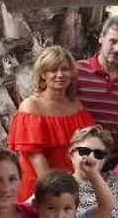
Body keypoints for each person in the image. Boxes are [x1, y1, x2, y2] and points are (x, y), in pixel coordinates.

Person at [7, 46, 94, 202]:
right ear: (42, 75)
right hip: (42, 187)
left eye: (65, 69)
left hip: (73, 185)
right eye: (53, 70)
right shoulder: (31, 106)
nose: (60, 75)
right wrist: (56, 193)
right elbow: (36, 157)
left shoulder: (76, 105)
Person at [75, 16, 118, 170]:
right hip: (83, 157)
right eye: (113, 41)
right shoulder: (77, 70)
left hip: (115, 159)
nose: (117, 49)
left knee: (117, 195)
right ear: (101, 38)